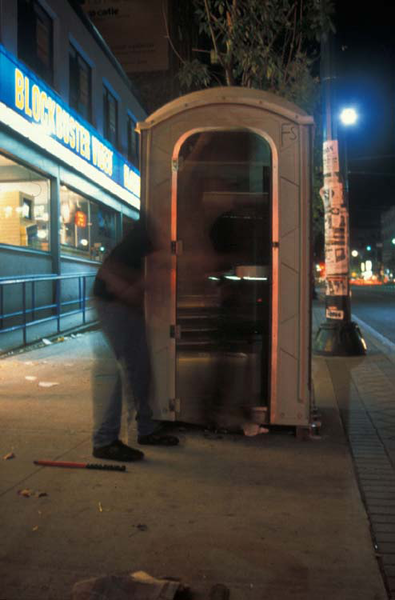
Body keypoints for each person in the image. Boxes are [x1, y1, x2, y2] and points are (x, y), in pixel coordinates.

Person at [91, 218, 179, 462]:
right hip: (112, 305)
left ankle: (146, 429)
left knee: (141, 368)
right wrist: (128, 291)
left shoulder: (148, 242)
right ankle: (104, 441)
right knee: (116, 372)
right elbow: (108, 271)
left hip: (126, 307)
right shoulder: (140, 239)